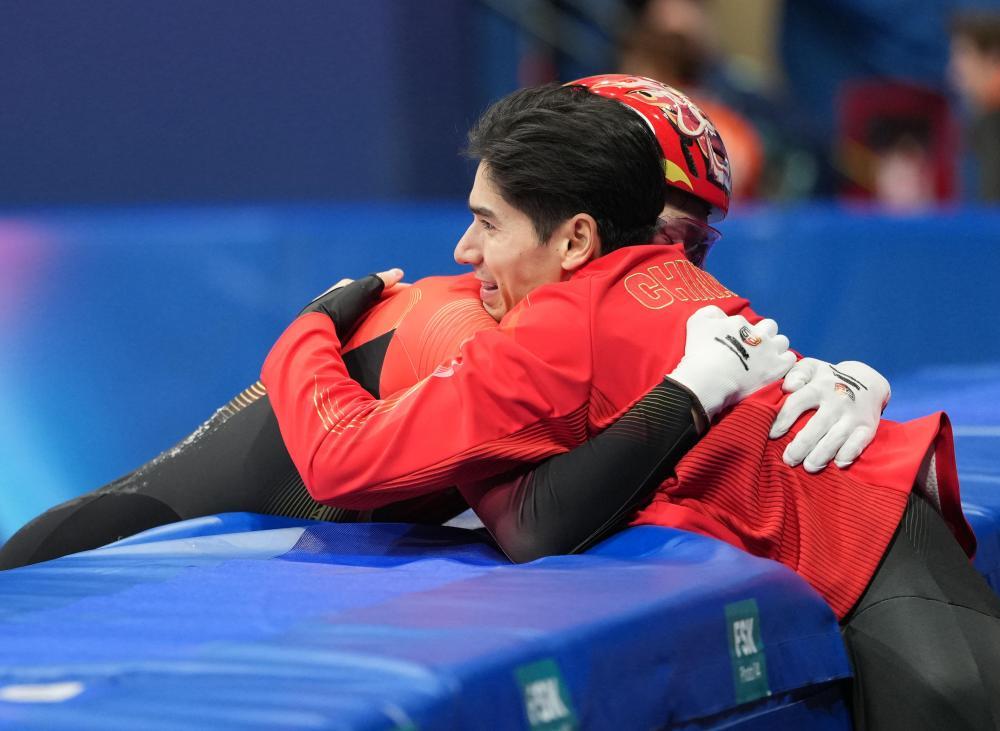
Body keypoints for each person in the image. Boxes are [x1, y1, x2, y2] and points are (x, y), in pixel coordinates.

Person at [261, 76, 1000, 728]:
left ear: (578, 233)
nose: (466, 249)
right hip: (910, 578)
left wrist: (307, 328)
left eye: (487, 222)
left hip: (905, 622)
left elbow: (340, 459)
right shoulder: (679, 289)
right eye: (671, 219)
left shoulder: (552, 326)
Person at [0, 73, 881, 571]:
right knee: (54, 551)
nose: (672, 273)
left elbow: (715, 378)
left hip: (349, 438)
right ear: (586, 221)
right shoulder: (505, 332)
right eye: (660, 236)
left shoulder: (620, 311)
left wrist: (830, 382)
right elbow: (532, 523)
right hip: (310, 444)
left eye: (694, 245)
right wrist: (306, 331)